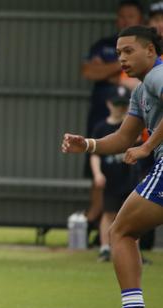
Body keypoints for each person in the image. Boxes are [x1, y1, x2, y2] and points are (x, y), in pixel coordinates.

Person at [62, 25, 163, 308]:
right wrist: (88, 144)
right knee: (122, 231)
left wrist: (147, 148)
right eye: (118, 52)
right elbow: (122, 137)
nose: (122, 58)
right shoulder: (141, 89)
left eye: (128, 51)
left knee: (120, 231)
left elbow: (138, 141)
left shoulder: (158, 76)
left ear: (151, 51)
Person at [81, 0, 143, 231]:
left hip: (137, 130)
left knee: (128, 177)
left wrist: (108, 70)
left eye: (131, 16)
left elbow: (133, 81)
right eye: (122, 16)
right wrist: (121, 67)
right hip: (101, 122)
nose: (125, 20)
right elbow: (89, 71)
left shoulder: (150, 56)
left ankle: (121, 227)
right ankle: (96, 225)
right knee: (99, 176)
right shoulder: (103, 45)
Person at [90, 87, 139, 262]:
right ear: (109, 104)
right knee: (108, 213)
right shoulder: (101, 127)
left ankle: (134, 252)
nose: (120, 108)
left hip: (130, 178)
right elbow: (95, 155)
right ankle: (105, 248)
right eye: (117, 104)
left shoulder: (131, 127)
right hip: (111, 179)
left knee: (132, 217)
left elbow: (141, 144)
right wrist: (97, 174)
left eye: (124, 104)